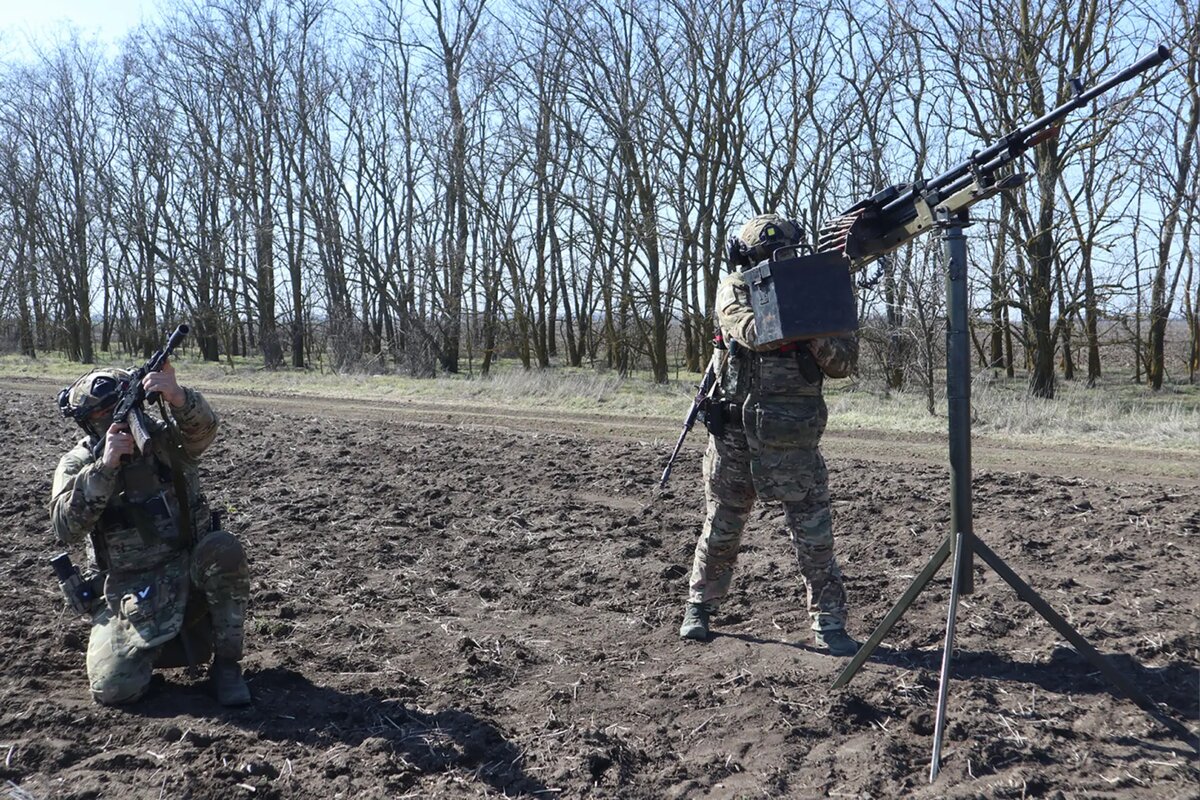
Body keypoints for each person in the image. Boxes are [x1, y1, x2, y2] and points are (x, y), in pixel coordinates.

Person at [679, 213, 859, 655]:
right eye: (765, 255)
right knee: (722, 529)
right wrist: (808, 317)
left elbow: (843, 363)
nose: (776, 262)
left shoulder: (817, 292)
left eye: (785, 253)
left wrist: (811, 324)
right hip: (736, 440)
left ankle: (829, 621)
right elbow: (754, 332)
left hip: (794, 438)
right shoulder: (735, 287)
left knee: (815, 537)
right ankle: (699, 607)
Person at [50, 360, 252, 706]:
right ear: (87, 422)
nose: (112, 418)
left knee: (223, 549)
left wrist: (178, 397)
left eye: (117, 407)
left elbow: (204, 430)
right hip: (126, 591)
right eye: (101, 415)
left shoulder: (164, 439)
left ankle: (227, 667)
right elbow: (65, 528)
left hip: (187, 572)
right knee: (114, 689)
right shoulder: (78, 463)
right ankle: (154, 648)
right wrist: (104, 469)